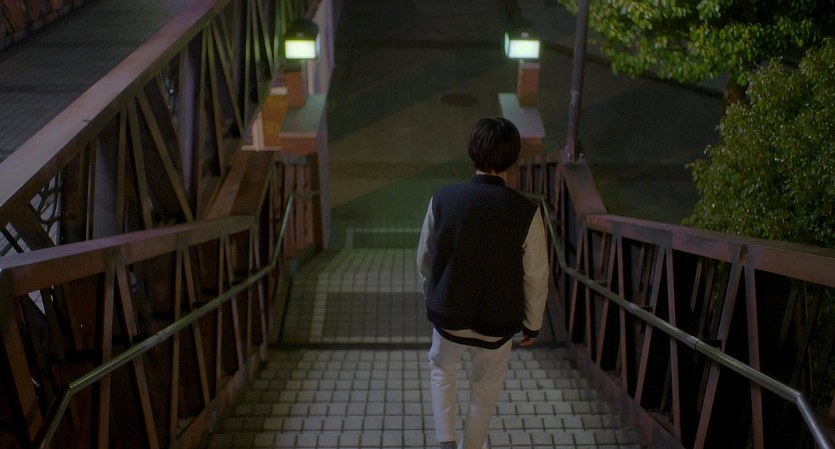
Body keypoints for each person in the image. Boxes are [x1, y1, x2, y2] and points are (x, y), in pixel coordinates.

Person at [416, 116, 549, 449]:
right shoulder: (527, 211)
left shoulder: (443, 199)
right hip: (498, 321)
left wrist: (432, 297)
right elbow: (535, 274)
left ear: (472, 151)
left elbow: (424, 259)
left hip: (449, 313)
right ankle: (471, 446)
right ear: (512, 158)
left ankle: (445, 440)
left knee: (442, 369)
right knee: (485, 389)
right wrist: (532, 324)